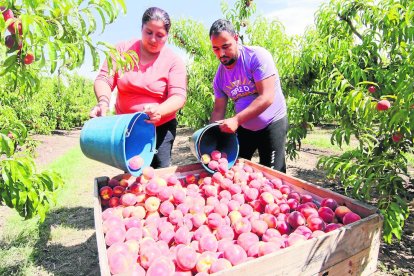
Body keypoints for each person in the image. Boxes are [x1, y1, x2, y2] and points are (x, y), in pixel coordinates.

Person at [90, 7, 187, 169]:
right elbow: (104, 79)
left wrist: (159, 110)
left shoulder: (173, 61)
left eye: (160, 35)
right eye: (149, 32)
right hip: (126, 127)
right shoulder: (122, 50)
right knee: (130, 172)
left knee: (158, 175)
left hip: (160, 128)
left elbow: (178, 96)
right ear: (141, 28)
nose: (153, 39)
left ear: (167, 36)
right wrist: (103, 102)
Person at [209, 19, 288, 173]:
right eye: (216, 49)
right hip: (245, 127)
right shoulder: (220, 78)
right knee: (233, 171)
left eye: (225, 46)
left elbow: (267, 97)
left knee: (273, 176)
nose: (221, 54)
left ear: (236, 39)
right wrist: (211, 136)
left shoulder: (256, 57)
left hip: (272, 124)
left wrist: (236, 119)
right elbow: (218, 110)